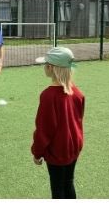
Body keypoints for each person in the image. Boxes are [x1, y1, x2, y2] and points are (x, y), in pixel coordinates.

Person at [31, 47, 85, 198]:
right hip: (73, 148)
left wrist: (37, 152)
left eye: (45, 64)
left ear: (50, 68)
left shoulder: (48, 96)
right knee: (68, 182)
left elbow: (44, 130)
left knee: (58, 188)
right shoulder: (77, 93)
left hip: (57, 151)